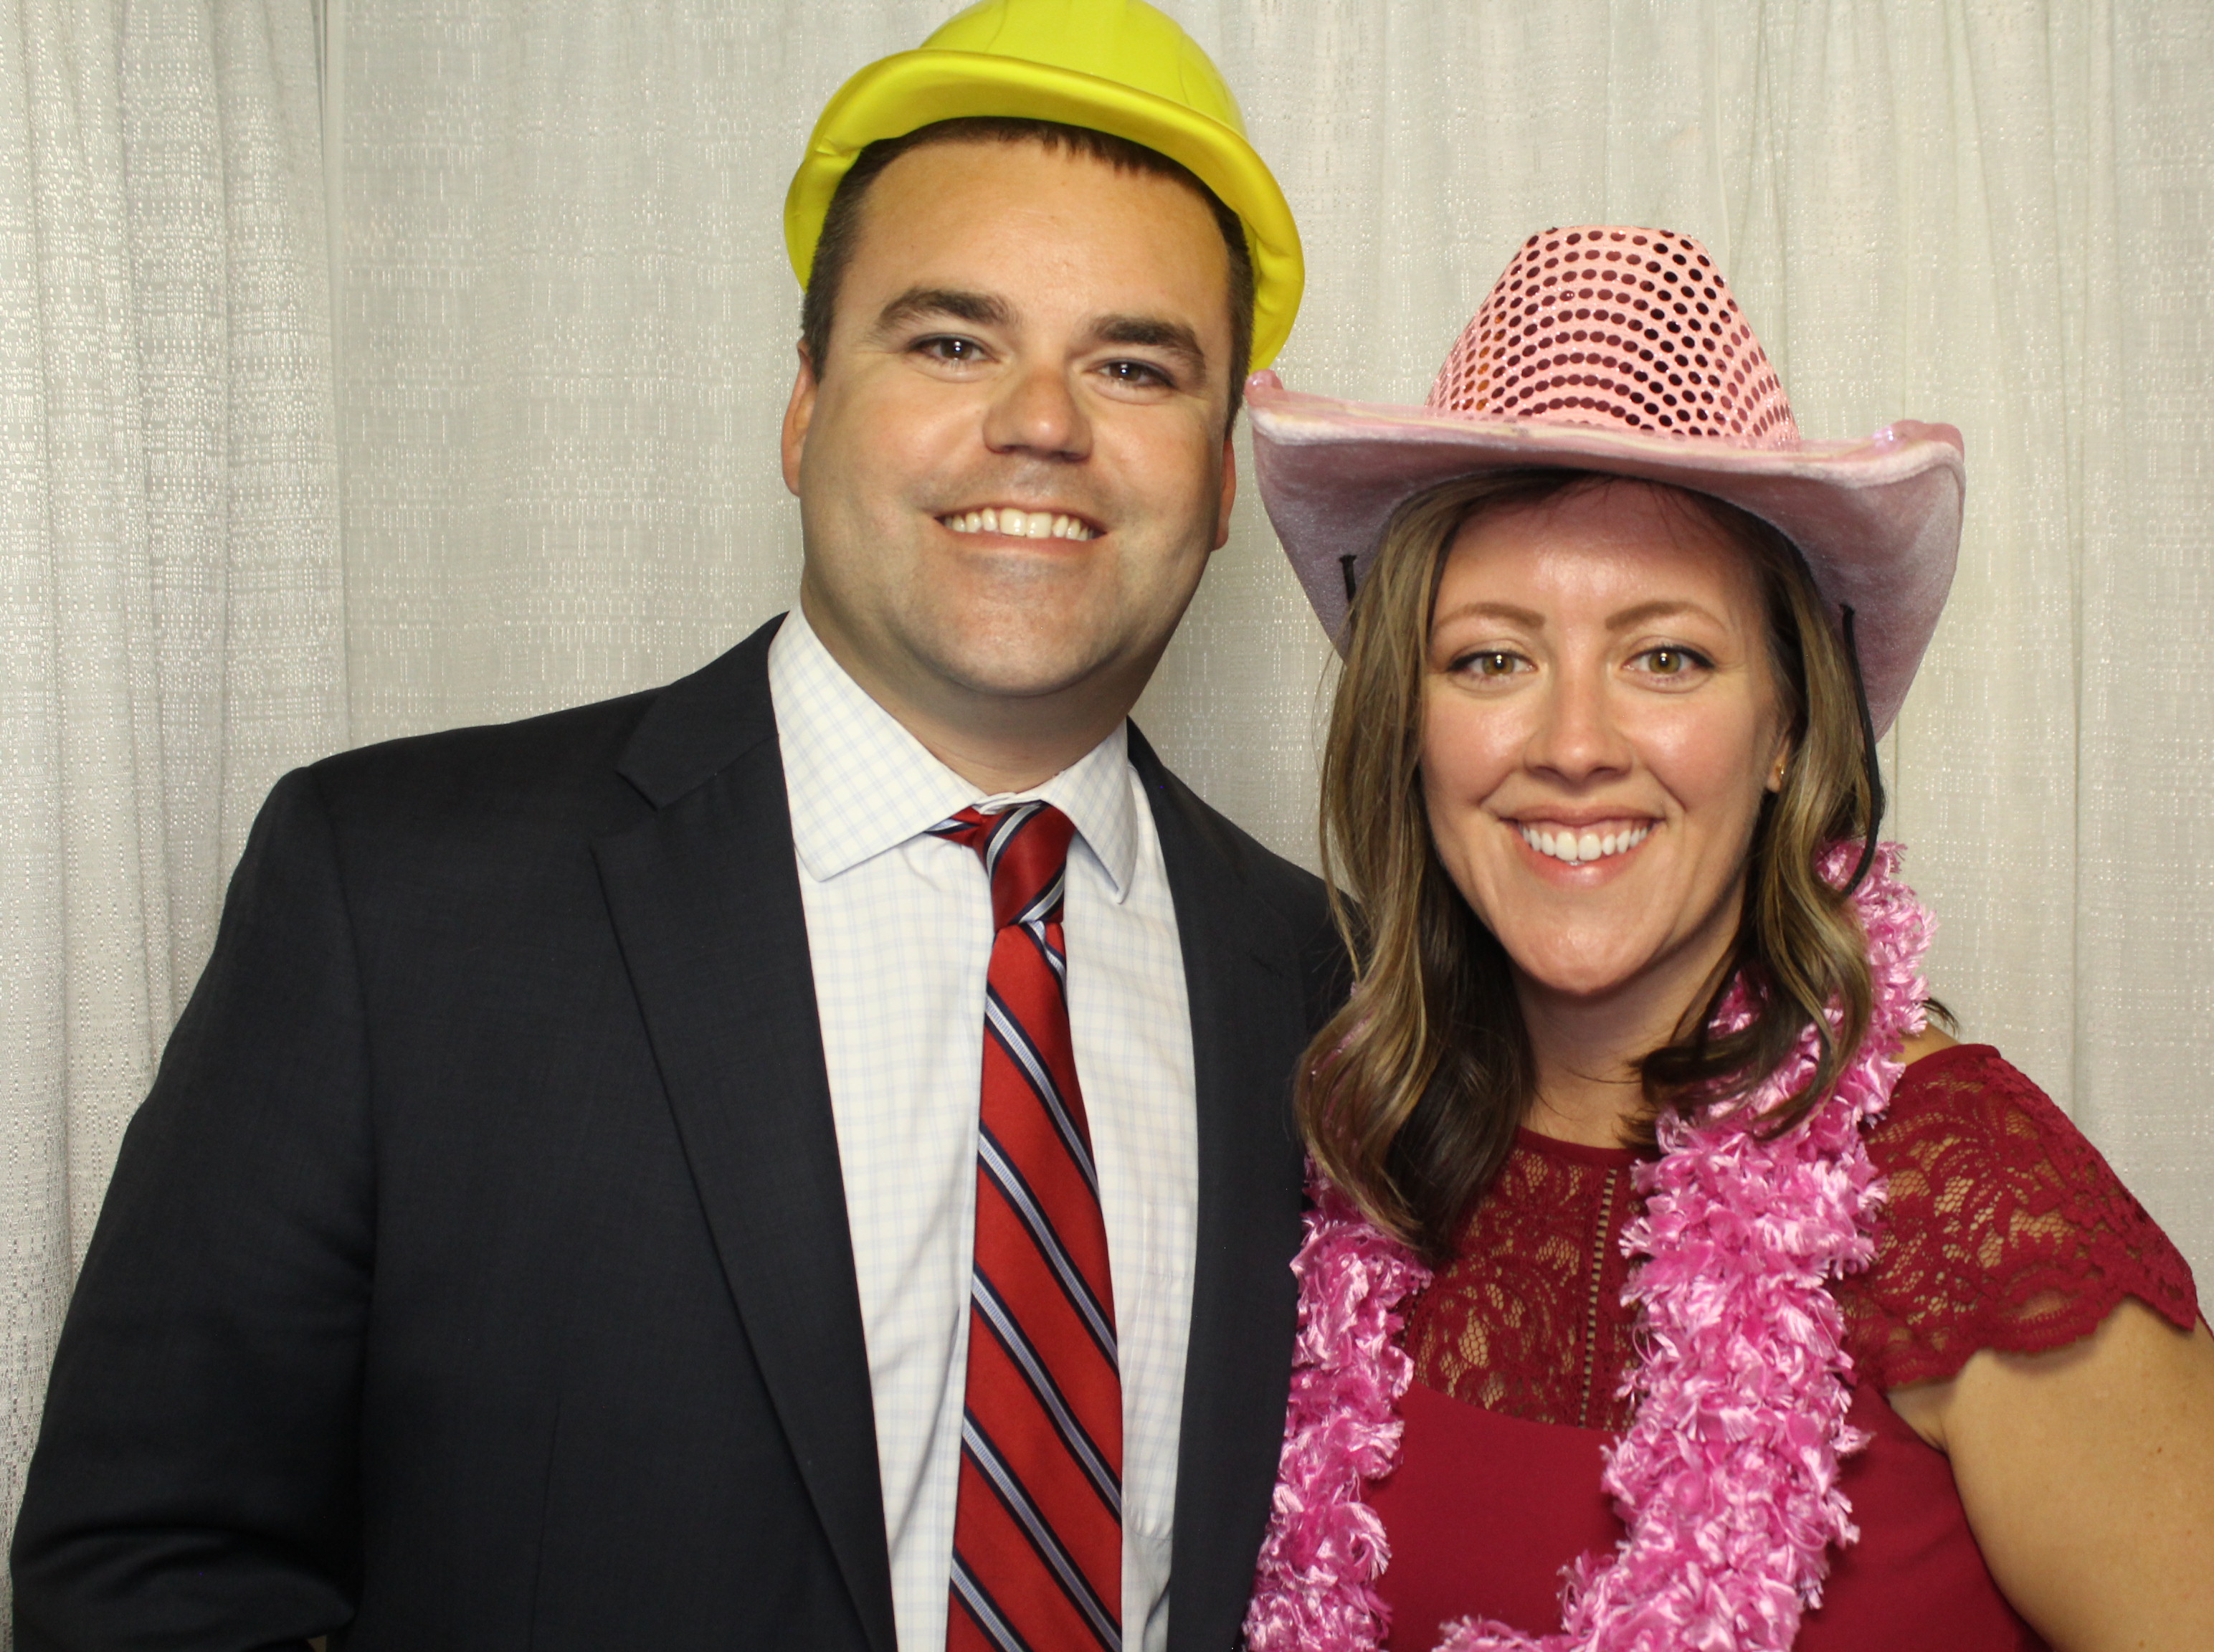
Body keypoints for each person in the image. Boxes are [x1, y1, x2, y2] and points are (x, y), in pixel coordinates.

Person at [12, 4, 1342, 1650]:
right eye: (949, 342)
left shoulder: (1330, 988)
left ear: (1219, 481)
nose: (1043, 423)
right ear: (802, 410)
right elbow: (148, 1575)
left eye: (1135, 366)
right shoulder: (393, 899)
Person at [1238, 229, 2214, 1651]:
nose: (1574, 746)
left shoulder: (1962, 1198)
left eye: (1667, 657)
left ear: (1786, 728)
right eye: (1493, 658)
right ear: (1411, 719)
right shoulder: (1361, 1157)